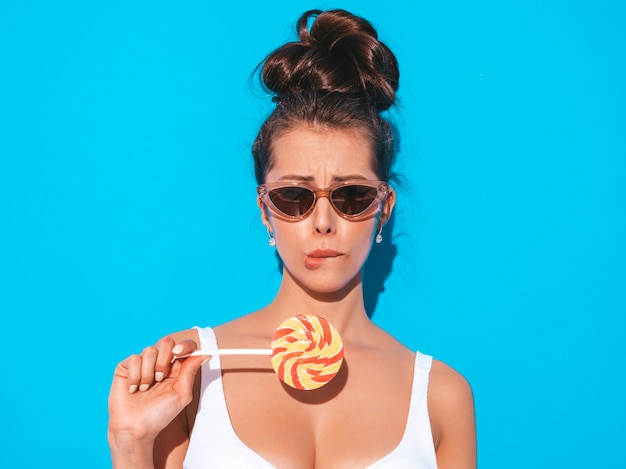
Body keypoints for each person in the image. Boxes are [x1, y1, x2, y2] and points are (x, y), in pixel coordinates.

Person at [108, 9, 476, 469]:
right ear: (265, 210)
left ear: (384, 206)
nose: (323, 221)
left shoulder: (440, 396)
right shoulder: (190, 368)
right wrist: (130, 443)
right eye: (295, 197)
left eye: (353, 195)